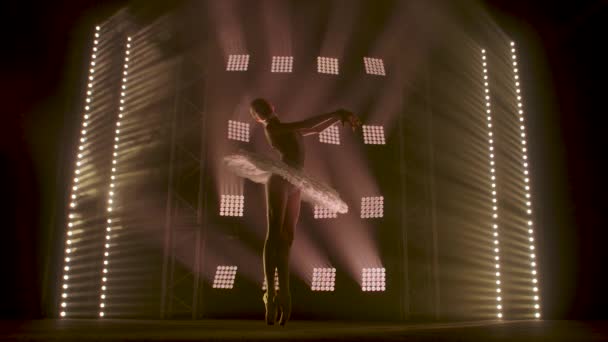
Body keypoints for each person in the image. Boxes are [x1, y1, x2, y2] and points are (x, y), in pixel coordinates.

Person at [224, 98, 361, 326]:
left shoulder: (287, 128)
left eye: (263, 107)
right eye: (258, 111)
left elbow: (315, 128)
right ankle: (271, 294)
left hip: (295, 181)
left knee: (287, 238)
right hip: (280, 179)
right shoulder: (274, 127)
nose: (263, 111)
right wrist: (337, 112)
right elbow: (309, 124)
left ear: (272, 107)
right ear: (259, 118)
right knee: (275, 234)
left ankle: (285, 294)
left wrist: (338, 116)